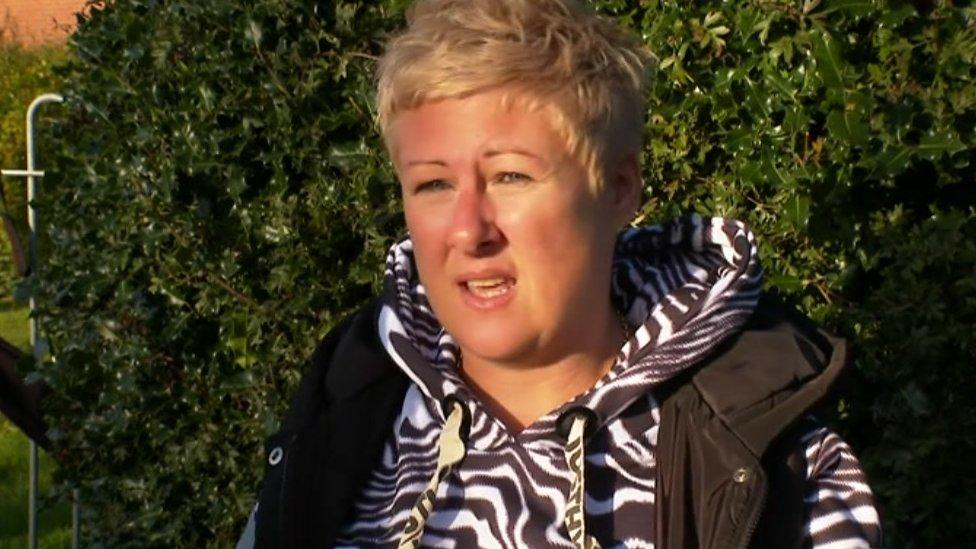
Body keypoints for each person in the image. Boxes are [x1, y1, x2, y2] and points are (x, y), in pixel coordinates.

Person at [238, 0, 882, 547]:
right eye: (433, 183)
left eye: (510, 176)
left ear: (619, 188)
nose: (468, 230)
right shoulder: (331, 435)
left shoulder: (779, 471)